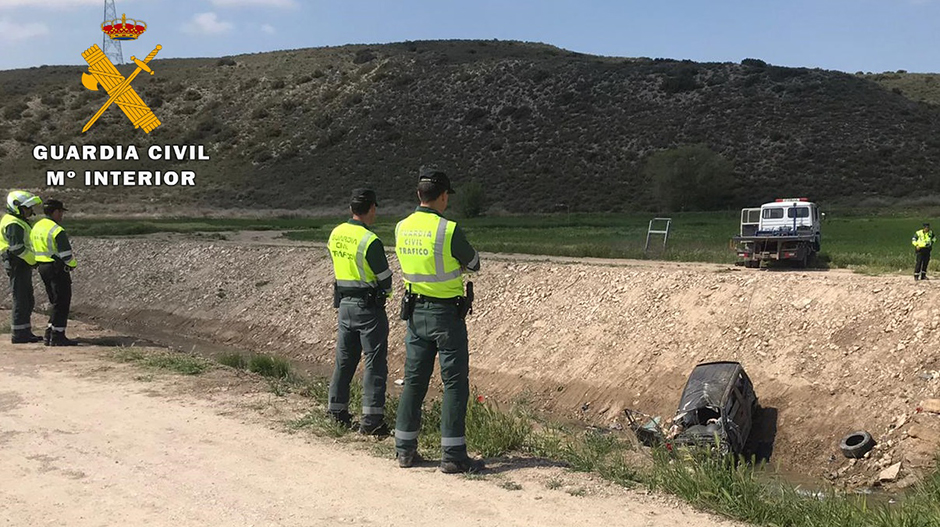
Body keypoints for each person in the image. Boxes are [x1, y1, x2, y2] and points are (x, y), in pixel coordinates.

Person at [394, 166, 483, 474]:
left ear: (419, 195)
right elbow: (474, 262)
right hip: (446, 315)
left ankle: (404, 450)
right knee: (455, 384)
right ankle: (453, 455)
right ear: (443, 196)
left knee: (414, 382)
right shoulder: (449, 229)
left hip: (415, 314)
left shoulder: (401, 227)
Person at [326, 188, 393, 435]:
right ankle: (372, 421)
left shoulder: (336, 234)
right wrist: (385, 292)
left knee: (344, 361)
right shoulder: (370, 240)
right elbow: (385, 278)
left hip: (345, 306)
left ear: (351, 209)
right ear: (372, 208)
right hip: (368, 308)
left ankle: (336, 411)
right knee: (374, 364)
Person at [30, 199, 78, 346]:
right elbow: (66, 255)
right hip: (57, 268)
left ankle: (50, 332)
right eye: (61, 212)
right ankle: (57, 336)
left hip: (42, 267)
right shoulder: (57, 230)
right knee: (62, 301)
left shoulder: (37, 226)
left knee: (54, 300)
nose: (62, 215)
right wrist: (72, 265)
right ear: (55, 212)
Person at [0, 190, 42, 344]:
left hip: (20, 263)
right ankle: (19, 334)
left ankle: (24, 331)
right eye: (27, 207)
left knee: (26, 299)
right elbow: (17, 248)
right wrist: (33, 260)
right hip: (17, 263)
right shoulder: (13, 223)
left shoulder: (16, 221)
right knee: (21, 299)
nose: (30, 211)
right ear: (17, 206)